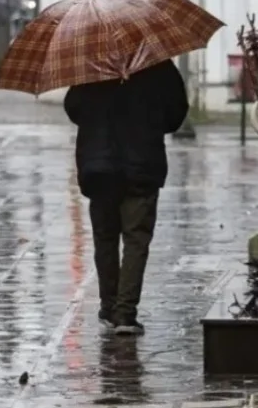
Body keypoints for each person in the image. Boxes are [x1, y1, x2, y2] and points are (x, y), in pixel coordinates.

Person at [63, 59, 189, 335]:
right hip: (142, 163)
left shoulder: (91, 61)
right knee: (136, 238)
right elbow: (176, 115)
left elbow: (74, 109)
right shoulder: (159, 64)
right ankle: (125, 314)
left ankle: (109, 308)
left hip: (99, 165)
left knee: (105, 238)